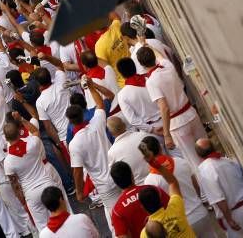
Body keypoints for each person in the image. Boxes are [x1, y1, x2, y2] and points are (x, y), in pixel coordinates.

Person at [67, 75, 122, 234]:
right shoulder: (97, 122)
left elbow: (77, 172)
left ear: (70, 121)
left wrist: (79, 192)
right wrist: (91, 86)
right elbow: (100, 102)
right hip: (118, 171)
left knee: (115, 220)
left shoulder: (74, 144)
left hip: (104, 185)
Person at [137, 46, 206, 171]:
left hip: (177, 125)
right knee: (206, 149)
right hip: (191, 113)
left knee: (194, 162)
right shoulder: (168, 66)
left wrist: (166, 134)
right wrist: (145, 44)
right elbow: (160, 56)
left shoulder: (151, 81)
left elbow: (164, 108)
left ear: (141, 64)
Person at [141, 136, 217, 237]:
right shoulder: (180, 161)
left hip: (177, 223)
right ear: (160, 147)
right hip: (199, 213)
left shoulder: (149, 180)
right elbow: (196, 187)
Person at [195, 138, 243, 237]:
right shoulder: (229, 161)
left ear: (198, 155)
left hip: (233, 215)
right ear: (213, 147)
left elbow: (219, 199)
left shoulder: (205, 170)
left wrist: (229, 219)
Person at [138, 146, 195, 238]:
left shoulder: (145, 234)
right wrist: (155, 164)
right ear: (160, 198)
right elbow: (172, 182)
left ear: (143, 208)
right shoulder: (175, 208)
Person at [110, 160, 170, 238]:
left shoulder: (117, 211)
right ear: (132, 175)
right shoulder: (153, 190)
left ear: (116, 183)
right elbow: (171, 209)